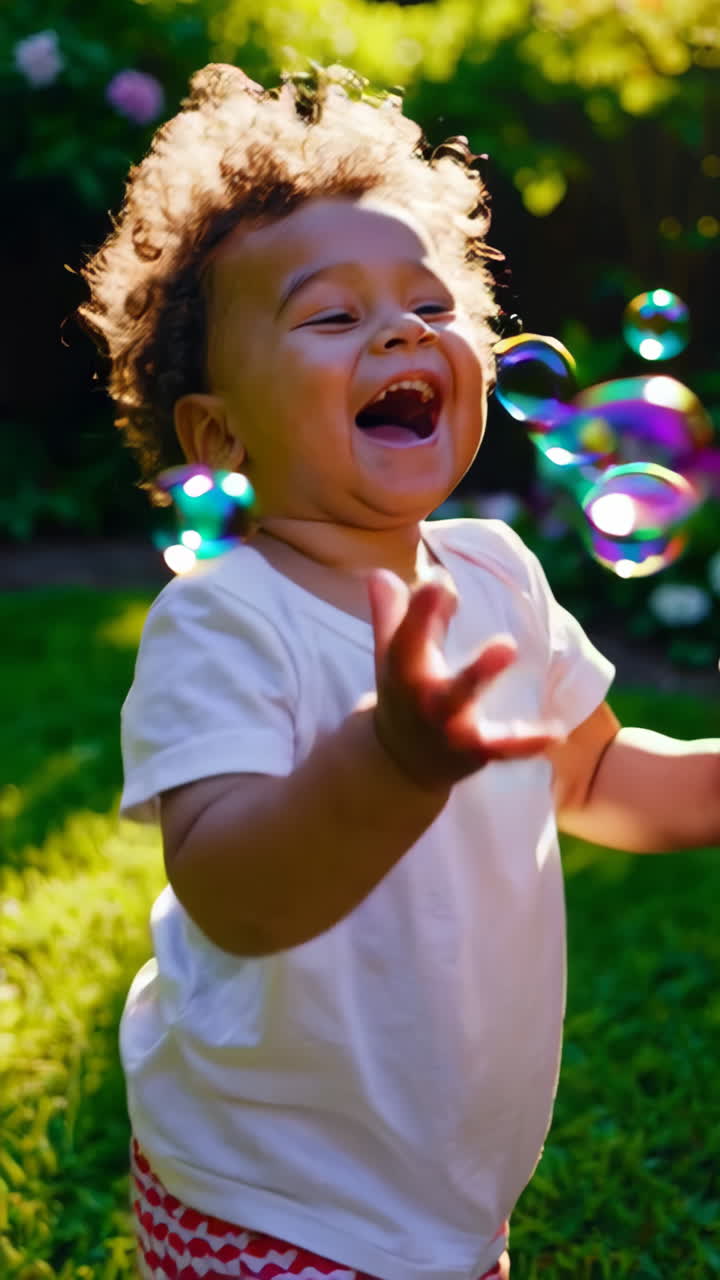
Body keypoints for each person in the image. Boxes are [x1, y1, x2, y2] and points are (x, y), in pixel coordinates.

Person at [79, 62, 720, 1280]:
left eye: (431, 304)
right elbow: (235, 888)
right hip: (272, 1190)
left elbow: (598, 772)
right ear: (220, 435)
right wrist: (389, 759)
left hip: (445, 1177)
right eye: (332, 316)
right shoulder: (225, 621)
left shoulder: (496, 571)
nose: (401, 330)